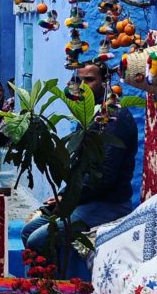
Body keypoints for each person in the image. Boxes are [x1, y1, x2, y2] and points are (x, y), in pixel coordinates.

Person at [21, 60, 138, 259]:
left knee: (38, 240)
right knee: (27, 231)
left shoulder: (115, 119)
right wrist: (64, 194)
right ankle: (42, 285)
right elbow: (79, 169)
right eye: (79, 80)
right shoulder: (88, 115)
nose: (83, 86)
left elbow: (104, 177)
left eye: (90, 80)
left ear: (106, 81)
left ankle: (56, 287)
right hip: (84, 200)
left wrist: (68, 200)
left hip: (108, 204)